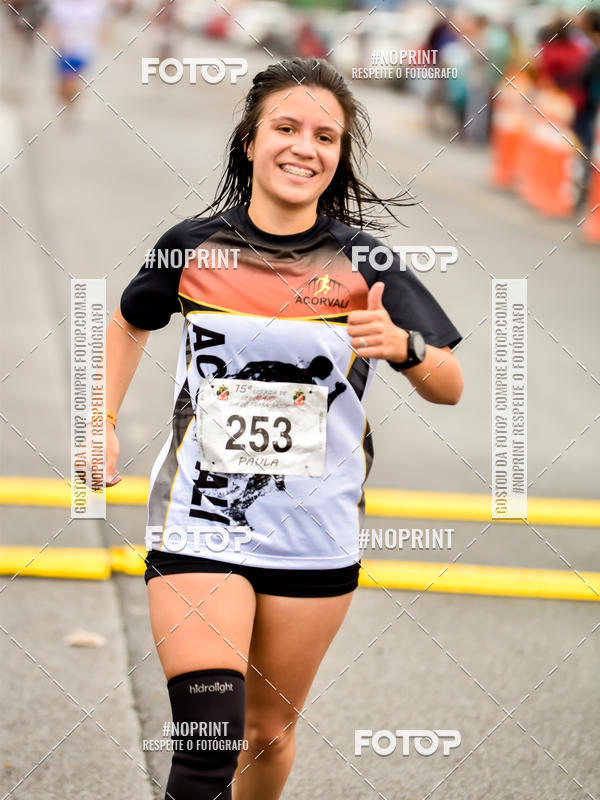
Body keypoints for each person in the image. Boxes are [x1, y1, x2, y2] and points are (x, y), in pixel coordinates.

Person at [99, 57, 463, 800]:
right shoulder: (191, 247)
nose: (305, 147)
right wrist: (98, 420)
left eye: (325, 136)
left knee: (267, 732)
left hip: (315, 530)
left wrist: (405, 348)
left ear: (339, 155)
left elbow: (449, 385)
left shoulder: (365, 261)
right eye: (286, 128)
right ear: (251, 141)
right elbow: (128, 322)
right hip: (199, 522)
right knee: (208, 743)